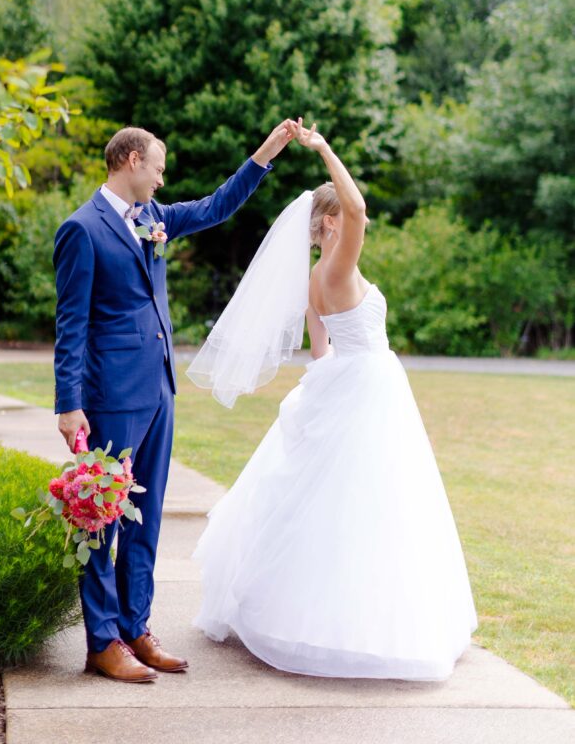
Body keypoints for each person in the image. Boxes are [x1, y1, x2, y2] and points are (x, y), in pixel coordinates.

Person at [188, 118, 478, 680]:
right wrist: (323, 149)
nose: (355, 221)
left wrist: (321, 403)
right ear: (328, 221)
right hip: (370, 385)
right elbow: (361, 210)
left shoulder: (315, 278)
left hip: (349, 383)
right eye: (342, 215)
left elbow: (319, 352)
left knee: (344, 503)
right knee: (378, 505)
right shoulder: (339, 265)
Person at [53, 121, 295, 683]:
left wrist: (266, 153)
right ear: (132, 159)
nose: (162, 179)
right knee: (101, 519)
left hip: (160, 390)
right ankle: (102, 641)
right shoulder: (81, 230)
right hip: (110, 395)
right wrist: (69, 404)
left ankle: (137, 627)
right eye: (158, 167)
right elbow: (71, 324)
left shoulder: (153, 220)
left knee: (148, 518)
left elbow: (216, 206)